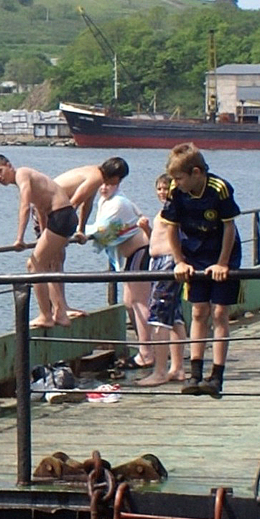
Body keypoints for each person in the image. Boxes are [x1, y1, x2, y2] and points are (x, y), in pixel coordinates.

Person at [159, 143, 241, 398]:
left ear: (196, 173)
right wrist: (179, 261)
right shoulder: (176, 191)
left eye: (180, 178)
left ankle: (217, 374)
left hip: (220, 251)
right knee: (198, 311)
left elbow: (229, 228)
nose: (176, 183)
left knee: (218, 313)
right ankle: (195, 372)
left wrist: (223, 263)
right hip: (194, 253)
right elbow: (171, 228)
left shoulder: (219, 189)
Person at [0, 153, 79, 328]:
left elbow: (25, 206)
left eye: (0, 171)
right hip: (63, 217)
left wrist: (19, 238)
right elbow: (40, 209)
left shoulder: (22, 174)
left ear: (9, 165)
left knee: (34, 265)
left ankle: (45, 316)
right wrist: (44, 236)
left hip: (62, 216)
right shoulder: (30, 179)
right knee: (49, 263)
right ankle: (60, 313)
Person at [80, 157, 153, 368]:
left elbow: (103, 230)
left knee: (139, 303)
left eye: (109, 184)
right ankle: (146, 348)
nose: (103, 188)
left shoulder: (119, 202)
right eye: (101, 183)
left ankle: (147, 352)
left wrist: (79, 233)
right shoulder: (107, 200)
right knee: (130, 303)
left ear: (118, 182)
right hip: (129, 257)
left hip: (139, 252)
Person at [139, 172, 188, 386]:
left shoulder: (176, 209)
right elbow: (158, 239)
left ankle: (159, 371)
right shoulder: (166, 210)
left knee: (159, 316)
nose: (162, 192)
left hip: (168, 263)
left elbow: (179, 237)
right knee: (174, 316)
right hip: (160, 261)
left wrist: (177, 260)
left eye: (166, 188)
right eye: (158, 188)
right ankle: (177, 368)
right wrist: (146, 229)